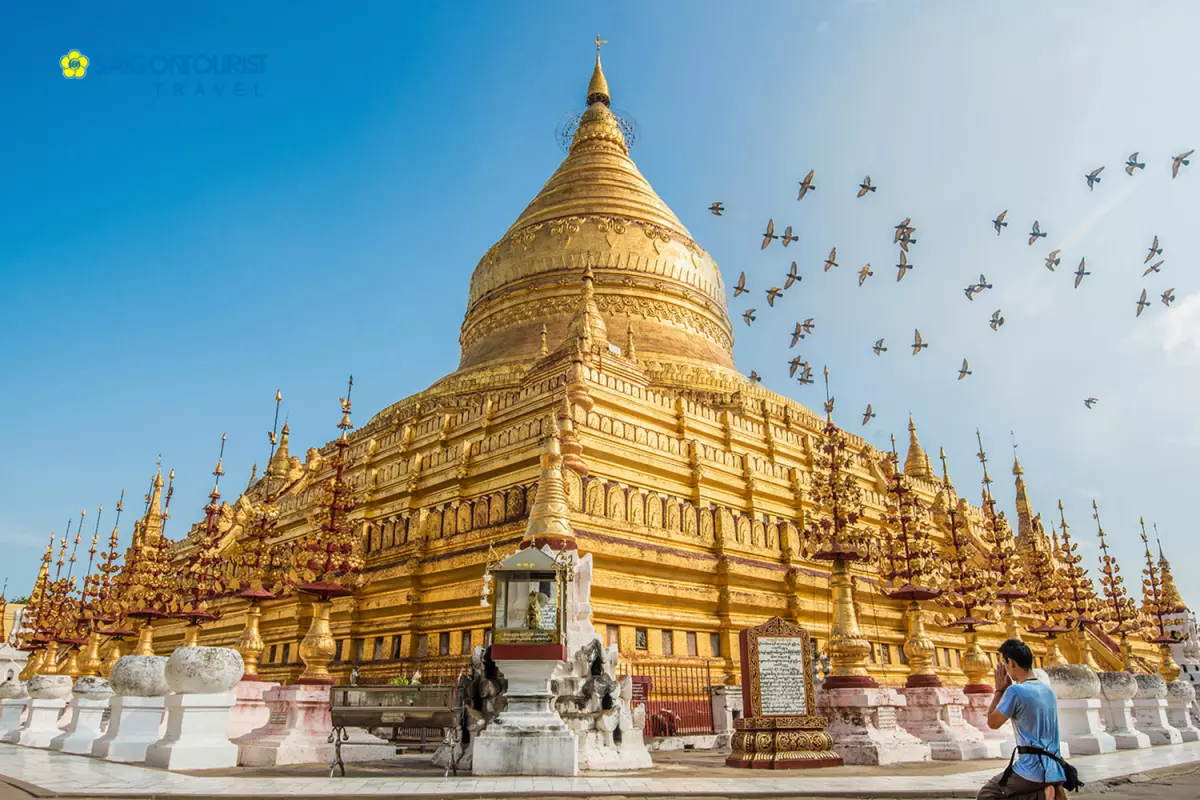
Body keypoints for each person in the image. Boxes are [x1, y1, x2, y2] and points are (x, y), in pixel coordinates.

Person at [977, 639, 1069, 800]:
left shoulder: (1016, 691)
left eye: (1004, 665)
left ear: (1011, 662)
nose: (1005, 670)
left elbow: (993, 723)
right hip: (1055, 767)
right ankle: (1048, 792)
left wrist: (999, 690)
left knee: (987, 795)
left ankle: (1041, 796)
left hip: (1031, 769)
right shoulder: (1048, 691)